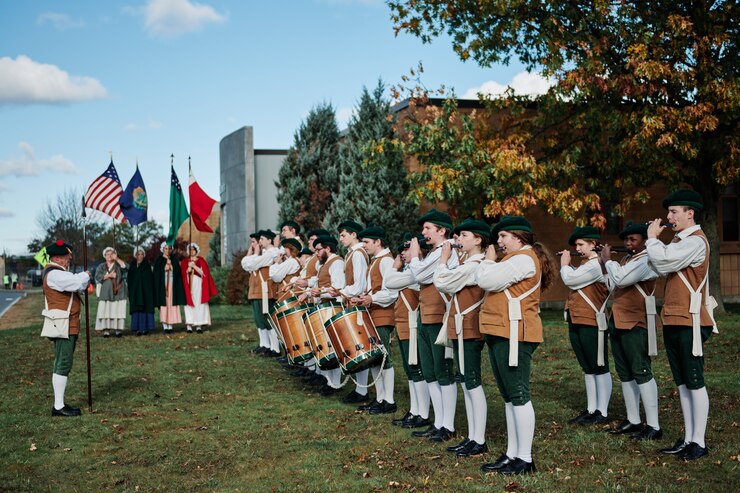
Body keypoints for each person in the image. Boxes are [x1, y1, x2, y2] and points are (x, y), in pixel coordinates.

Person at [476, 216, 556, 475]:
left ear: (519, 237)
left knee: (519, 395)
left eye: (503, 236)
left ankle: (525, 457)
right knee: (509, 396)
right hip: (503, 331)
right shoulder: (515, 258)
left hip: (515, 333)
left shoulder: (523, 258)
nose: (498, 242)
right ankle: (513, 453)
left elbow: (487, 281)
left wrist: (487, 260)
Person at [646, 189, 718, 461]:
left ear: (690, 213)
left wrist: (653, 239)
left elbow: (663, 259)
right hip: (675, 317)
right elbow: (661, 265)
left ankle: (698, 441)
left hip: (691, 319)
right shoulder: (679, 241)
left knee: (694, 381)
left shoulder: (696, 242)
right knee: (682, 382)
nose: (668, 217)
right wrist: (656, 245)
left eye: (674, 212)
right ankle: (688, 437)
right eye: (669, 212)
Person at [598, 221, 662, 440]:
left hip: (636, 322)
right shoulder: (627, 260)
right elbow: (613, 287)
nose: (627, 243)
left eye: (632, 239)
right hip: (618, 319)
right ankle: (633, 419)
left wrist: (608, 260)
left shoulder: (646, 259)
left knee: (641, 371)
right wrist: (603, 266)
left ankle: (653, 425)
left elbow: (622, 278)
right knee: (624, 373)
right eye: (625, 239)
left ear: (644, 241)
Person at [434, 218, 489, 457]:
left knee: (473, 382)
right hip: (460, 327)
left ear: (478, 240)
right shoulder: (468, 262)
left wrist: (443, 259)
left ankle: (479, 439)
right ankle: (472, 436)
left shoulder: (476, 264)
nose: (458, 240)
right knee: (466, 381)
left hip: (469, 328)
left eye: (464, 235)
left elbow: (441, 281)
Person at [406, 209, 459, 442]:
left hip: (440, 315)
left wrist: (415, 254)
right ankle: (439, 422)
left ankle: (448, 425)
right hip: (426, 314)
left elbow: (418, 275)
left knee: (443, 371)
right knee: (430, 371)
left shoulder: (445, 251)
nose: (423, 233)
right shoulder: (435, 253)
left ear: (442, 230)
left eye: (428, 228)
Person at [559, 226, 611, 426]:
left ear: (593, 244)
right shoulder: (585, 264)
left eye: (581, 244)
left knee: (599, 365)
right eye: (576, 245)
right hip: (577, 318)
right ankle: (591, 409)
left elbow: (571, 280)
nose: (578, 248)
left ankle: (603, 412)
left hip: (592, 320)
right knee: (587, 366)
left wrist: (565, 264)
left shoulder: (596, 265)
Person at [385, 234, 431, 429]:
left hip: (413, 326)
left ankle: (423, 413)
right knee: (410, 371)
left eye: (407, 249)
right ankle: (415, 410)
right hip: (404, 326)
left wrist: (395, 268)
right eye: (401, 250)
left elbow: (389, 281)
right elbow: (389, 281)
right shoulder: (409, 271)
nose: (403, 254)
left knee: (417, 369)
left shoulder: (417, 271)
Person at [352, 225, 398, 414]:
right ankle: (380, 398)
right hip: (373, 313)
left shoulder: (386, 261)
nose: (364, 246)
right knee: (375, 359)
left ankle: (389, 400)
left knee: (384, 357)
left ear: (378, 242)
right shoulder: (375, 260)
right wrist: (363, 297)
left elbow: (391, 292)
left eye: (367, 242)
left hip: (383, 314)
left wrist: (372, 298)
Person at [42, 239, 90, 416]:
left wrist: (81, 278)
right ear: (56, 258)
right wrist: (85, 275)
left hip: (65, 323)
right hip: (63, 324)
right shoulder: (55, 274)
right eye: (65, 257)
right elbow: (78, 283)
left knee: (61, 362)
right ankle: (58, 406)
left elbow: (78, 283)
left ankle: (59, 404)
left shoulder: (57, 273)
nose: (69, 259)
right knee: (63, 363)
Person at [304, 235, 346, 395]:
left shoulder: (336, 262)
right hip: (325, 307)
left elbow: (338, 287)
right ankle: (330, 381)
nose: (316, 253)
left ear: (328, 248)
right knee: (326, 345)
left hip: (332, 307)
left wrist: (320, 291)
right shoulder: (325, 264)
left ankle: (334, 383)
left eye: (318, 250)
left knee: (332, 346)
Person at [336, 220, 371, 405]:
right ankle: (360, 389)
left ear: (353, 235)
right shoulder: (351, 254)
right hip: (351, 302)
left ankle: (363, 391)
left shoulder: (358, 254)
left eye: (343, 235)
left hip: (358, 304)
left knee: (360, 347)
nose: (340, 239)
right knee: (355, 347)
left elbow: (359, 285)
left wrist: (342, 292)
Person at [241, 230, 280, 355]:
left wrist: (253, 256)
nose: (260, 242)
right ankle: (265, 345)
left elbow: (251, 264)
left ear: (269, 240)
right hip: (257, 290)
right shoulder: (263, 254)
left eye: (262, 239)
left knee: (267, 319)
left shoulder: (272, 252)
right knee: (259, 319)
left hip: (265, 290)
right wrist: (252, 257)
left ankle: (275, 348)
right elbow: (245, 265)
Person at [180, 242, 218, 333]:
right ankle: (189, 325)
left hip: (198, 284)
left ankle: (198, 325)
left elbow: (204, 273)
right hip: (189, 285)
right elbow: (182, 275)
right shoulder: (185, 262)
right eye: (190, 250)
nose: (191, 251)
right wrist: (187, 270)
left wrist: (194, 266)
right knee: (189, 304)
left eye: (193, 249)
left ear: (196, 251)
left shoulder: (201, 260)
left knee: (198, 303)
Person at [153, 241, 186, 334]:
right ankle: (165, 327)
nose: (167, 250)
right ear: (162, 249)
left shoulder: (174, 260)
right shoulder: (159, 260)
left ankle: (170, 326)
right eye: (166, 249)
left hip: (172, 286)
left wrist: (171, 266)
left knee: (171, 305)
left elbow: (178, 273)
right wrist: (164, 268)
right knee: (164, 306)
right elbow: (155, 274)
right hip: (162, 286)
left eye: (169, 249)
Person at [95, 246, 128, 337]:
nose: (109, 256)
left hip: (119, 292)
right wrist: (109, 275)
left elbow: (126, 267)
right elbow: (98, 277)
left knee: (118, 310)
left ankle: (118, 330)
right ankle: (106, 330)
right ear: (104, 256)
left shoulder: (118, 265)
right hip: (106, 293)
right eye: (107, 254)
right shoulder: (101, 266)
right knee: (106, 310)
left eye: (111, 254)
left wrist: (117, 258)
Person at [128, 247, 155, 335]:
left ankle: (145, 328)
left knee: (145, 308)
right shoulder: (132, 265)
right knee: (137, 308)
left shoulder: (147, 265)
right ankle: (136, 328)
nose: (140, 256)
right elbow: (130, 279)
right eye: (138, 254)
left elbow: (150, 279)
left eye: (141, 254)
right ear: (135, 255)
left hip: (145, 292)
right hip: (135, 292)